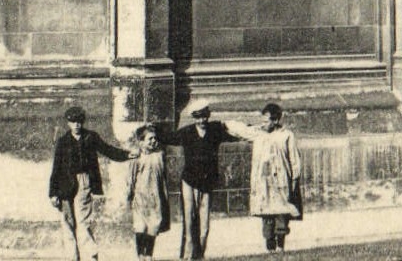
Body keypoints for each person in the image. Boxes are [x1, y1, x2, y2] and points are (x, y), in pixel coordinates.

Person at [49, 103, 130, 261]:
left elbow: (108, 150)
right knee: (67, 222)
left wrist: (127, 155)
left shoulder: (91, 137)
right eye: (73, 122)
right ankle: (72, 257)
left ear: (83, 121)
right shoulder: (63, 141)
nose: (76, 125)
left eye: (79, 121)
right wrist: (52, 193)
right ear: (68, 123)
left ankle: (91, 255)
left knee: (83, 221)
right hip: (65, 184)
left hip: (84, 182)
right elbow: (56, 168)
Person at [174, 103, 254, 259]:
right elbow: (168, 137)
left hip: (207, 183)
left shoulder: (214, 130)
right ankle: (186, 256)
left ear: (208, 115)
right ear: (194, 117)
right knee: (189, 221)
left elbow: (233, 135)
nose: (202, 120)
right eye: (198, 117)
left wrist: (252, 133)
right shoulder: (187, 132)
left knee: (204, 225)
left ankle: (200, 255)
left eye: (204, 116)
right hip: (189, 181)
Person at [248, 102, 302, 253]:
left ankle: (280, 247)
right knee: (267, 216)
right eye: (262, 121)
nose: (263, 124)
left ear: (276, 120)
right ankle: (270, 249)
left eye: (266, 121)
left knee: (281, 215)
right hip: (264, 182)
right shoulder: (258, 134)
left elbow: (294, 161)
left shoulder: (287, 136)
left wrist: (294, 181)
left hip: (281, 182)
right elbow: (241, 131)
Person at [126, 123, 170, 258]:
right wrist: (129, 195)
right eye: (150, 139)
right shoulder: (137, 158)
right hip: (140, 198)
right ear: (141, 141)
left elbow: (163, 178)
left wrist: (165, 196)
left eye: (155, 139)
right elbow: (131, 179)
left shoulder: (160, 155)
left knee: (153, 227)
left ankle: (149, 255)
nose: (153, 141)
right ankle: (140, 255)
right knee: (140, 227)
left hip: (155, 198)